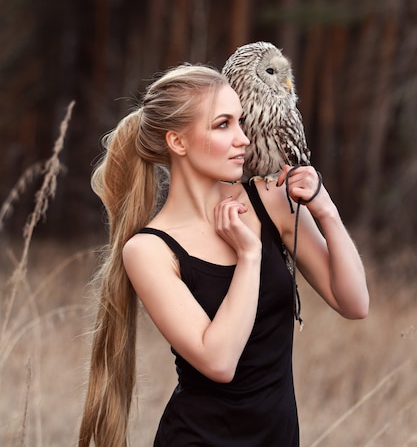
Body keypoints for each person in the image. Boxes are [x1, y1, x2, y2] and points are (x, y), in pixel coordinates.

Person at [78, 63, 369, 447]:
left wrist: (325, 209)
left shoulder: (271, 202)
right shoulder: (149, 249)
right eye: (223, 125)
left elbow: (353, 303)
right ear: (178, 143)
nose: (243, 139)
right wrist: (249, 256)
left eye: (241, 122)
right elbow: (219, 362)